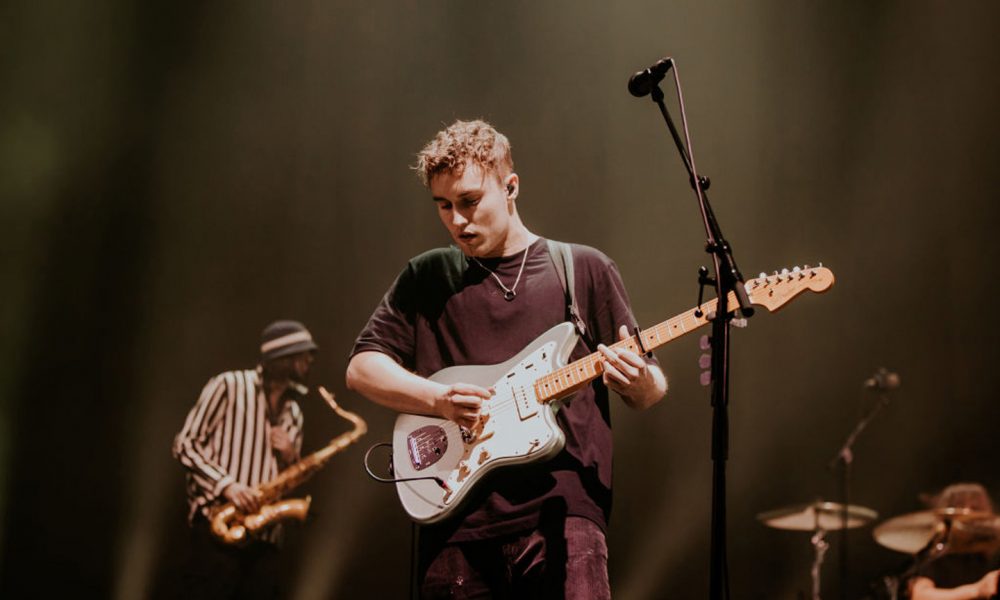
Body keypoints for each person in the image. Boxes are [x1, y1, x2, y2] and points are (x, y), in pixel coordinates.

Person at [346, 119, 667, 599]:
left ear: (510, 186)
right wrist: (438, 399)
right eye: (444, 206)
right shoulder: (427, 276)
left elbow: (650, 390)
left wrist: (635, 380)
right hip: (454, 520)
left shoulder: (582, 268)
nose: (457, 220)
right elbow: (361, 369)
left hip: (563, 515)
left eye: (470, 201)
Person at [168, 320, 318, 599]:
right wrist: (228, 486)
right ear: (284, 356)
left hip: (265, 539)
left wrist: (291, 456)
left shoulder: (294, 411)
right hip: (218, 529)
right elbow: (185, 444)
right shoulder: (229, 385)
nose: (310, 360)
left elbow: (288, 482)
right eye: (304, 353)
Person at [909, 483, 999, 600]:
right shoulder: (937, 553)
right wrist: (976, 590)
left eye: (975, 508)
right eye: (960, 506)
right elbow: (919, 595)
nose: (968, 513)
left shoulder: (985, 556)